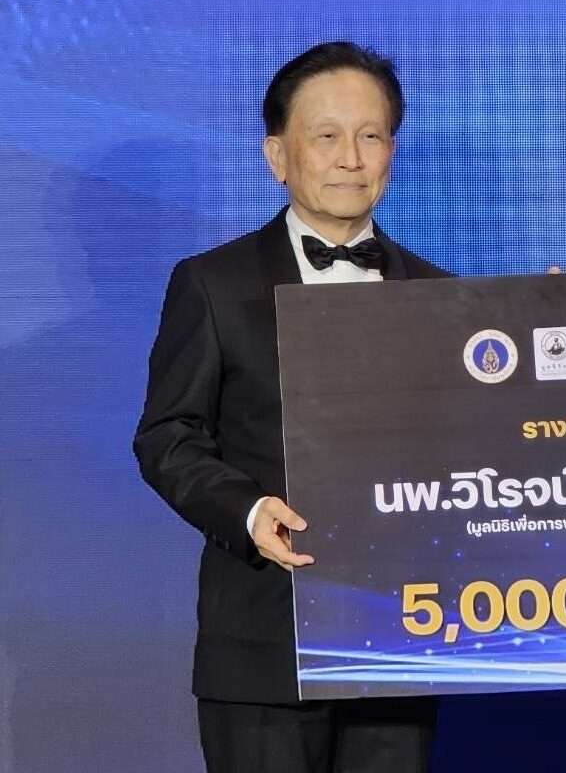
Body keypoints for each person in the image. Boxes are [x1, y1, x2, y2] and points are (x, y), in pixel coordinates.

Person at [134, 41, 448, 772]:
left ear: (392, 152)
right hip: (262, 645)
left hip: (402, 641)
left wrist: (560, 319)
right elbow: (168, 436)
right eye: (326, 135)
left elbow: (490, 445)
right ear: (278, 155)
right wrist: (248, 512)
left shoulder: (442, 297)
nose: (351, 159)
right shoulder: (212, 285)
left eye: (371, 136)